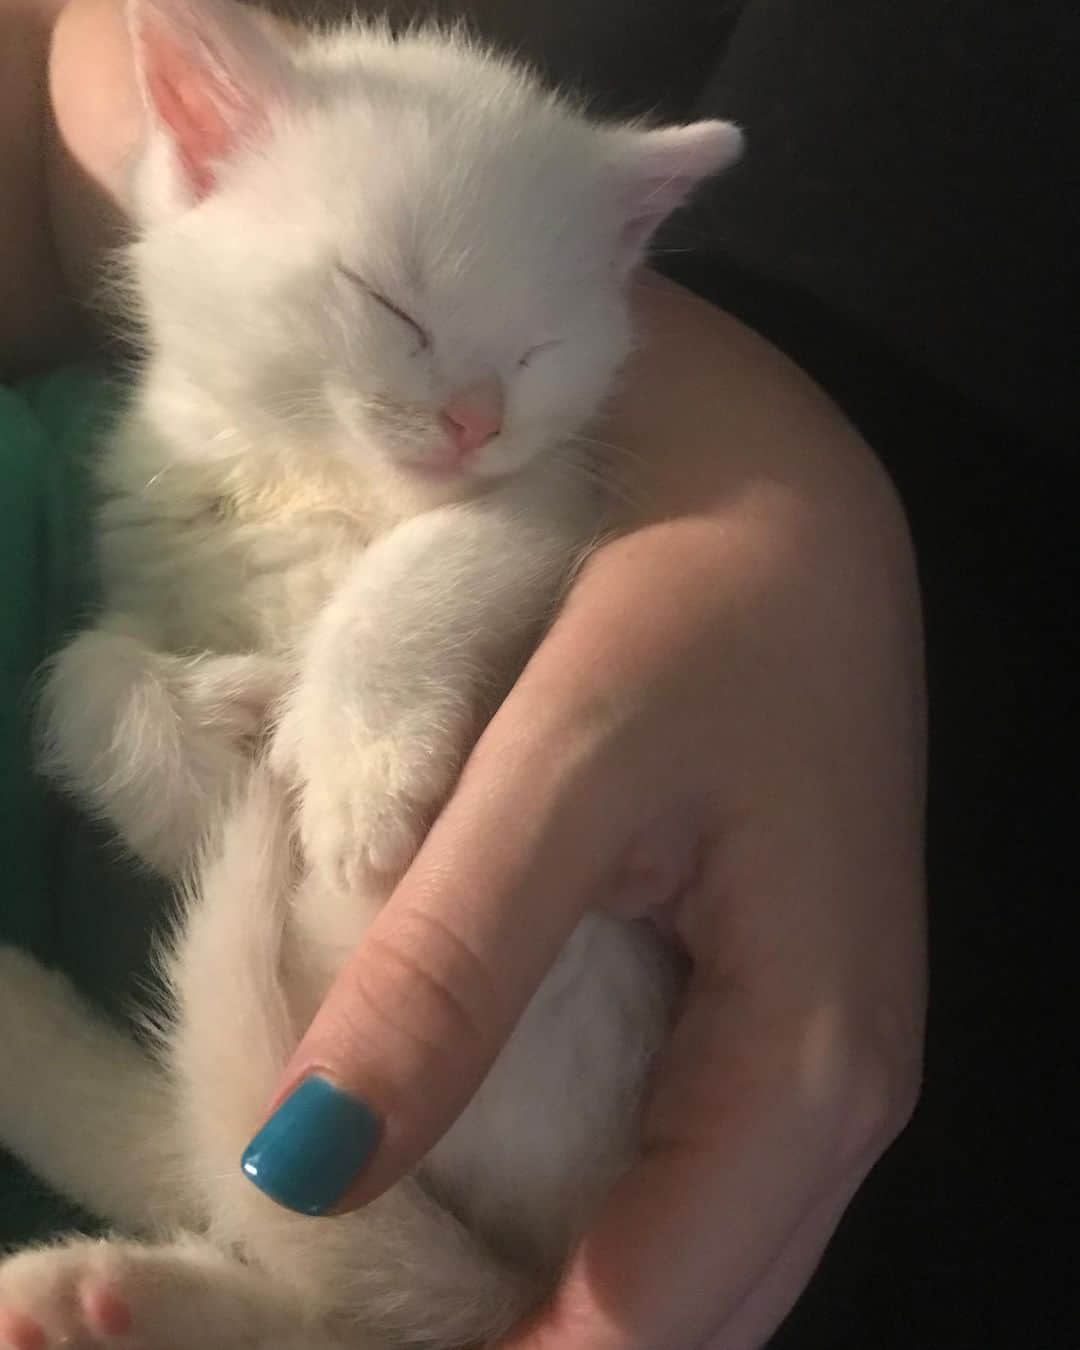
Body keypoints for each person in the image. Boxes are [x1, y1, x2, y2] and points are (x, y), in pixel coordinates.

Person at [1, 1, 1070, 1346]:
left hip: (603, 1067)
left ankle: (292, 1231)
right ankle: (290, 1261)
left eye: (538, 355)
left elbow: (531, 528)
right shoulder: (164, 453)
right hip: (477, 1160)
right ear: (201, 149)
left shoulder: (504, 465)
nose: (473, 415)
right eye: (393, 314)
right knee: (123, 711)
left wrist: (762, 477)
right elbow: (208, 813)